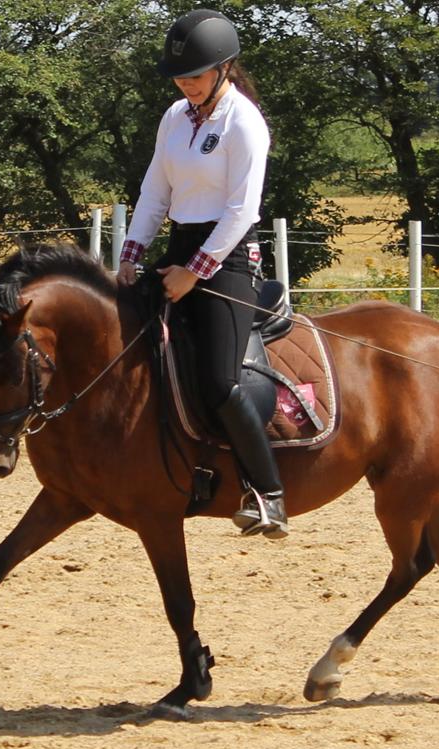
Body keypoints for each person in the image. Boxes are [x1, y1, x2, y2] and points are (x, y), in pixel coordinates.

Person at [116, 8, 287, 539]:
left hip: (229, 257)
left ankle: (270, 493)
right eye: (179, 77)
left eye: (194, 75)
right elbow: (154, 194)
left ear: (224, 69)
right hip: (181, 247)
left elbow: (241, 212)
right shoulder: (174, 118)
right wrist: (130, 254)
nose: (185, 84)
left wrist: (194, 273)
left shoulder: (244, 122)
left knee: (218, 379)